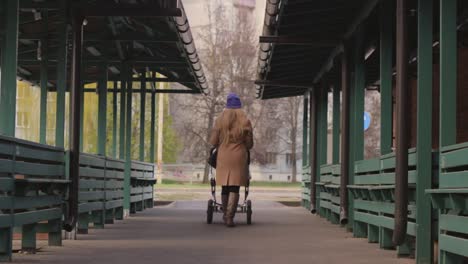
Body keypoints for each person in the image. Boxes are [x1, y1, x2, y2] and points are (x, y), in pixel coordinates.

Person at [209, 92, 253, 227]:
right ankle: (229, 217)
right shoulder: (245, 121)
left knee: (225, 186)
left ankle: (224, 214)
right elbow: (250, 144)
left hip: (223, 156)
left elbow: (213, 141)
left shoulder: (220, 120)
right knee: (235, 186)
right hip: (239, 156)